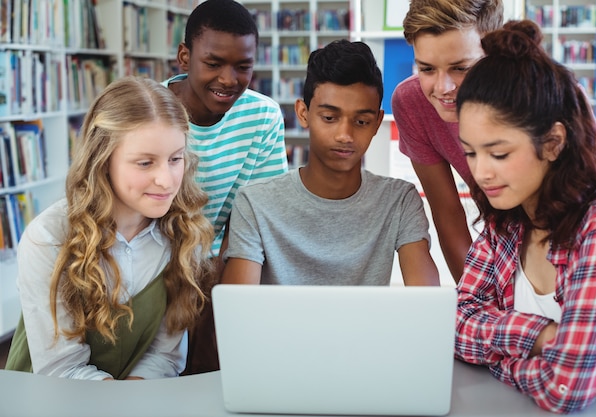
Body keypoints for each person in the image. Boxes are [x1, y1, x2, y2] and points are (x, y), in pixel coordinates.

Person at [454, 20, 596, 417]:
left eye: (498, 154)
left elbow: (568, 389)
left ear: (552, 143)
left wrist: (497, 357)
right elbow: (456, 324)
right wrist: (539, 335)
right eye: (470, 153)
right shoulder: (505, 223)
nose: (481, 173)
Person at [4, 77, 215, 380]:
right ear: (102, 161)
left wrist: (128, 399)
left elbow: (164, 356)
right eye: (145, 163)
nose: (167, 181)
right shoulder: (48, 237)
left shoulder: (184, 233)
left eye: (175, 159)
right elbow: (61, 368)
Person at [221, 40, 440, 287]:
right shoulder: (254, 203)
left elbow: (426, 301)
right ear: (303, 113)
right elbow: (240, 313)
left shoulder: (399, 201)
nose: (344, 135)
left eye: (361, 122)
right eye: (329, 117)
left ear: (378, 122)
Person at [162, 0, 288, 373]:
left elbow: (255, 214)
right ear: (185, 57)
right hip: (157, 259)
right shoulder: (151, 111)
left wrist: (216, 283)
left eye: (243, 66)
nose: (229, 79)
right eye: (213, 64)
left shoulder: (263, 116)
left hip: (225, 261)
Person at [392, 0, 504, 283]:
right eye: (427, 69)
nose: (443, 88)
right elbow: (447, 214)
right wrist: (475, 302)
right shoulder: (413, 102)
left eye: (461, 68)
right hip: (504, 247)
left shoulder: (547, 93)